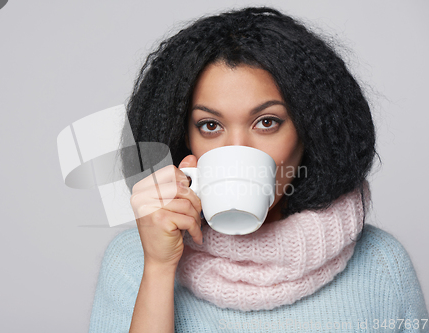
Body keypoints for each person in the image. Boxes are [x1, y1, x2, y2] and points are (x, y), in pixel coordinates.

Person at [89, 7, 428, 332]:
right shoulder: (133, 262)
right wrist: (159, 270)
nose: (237, 148)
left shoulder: (383, 265)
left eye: (267, 122)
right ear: (184, 140)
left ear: (310, 133)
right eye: (210, 125)